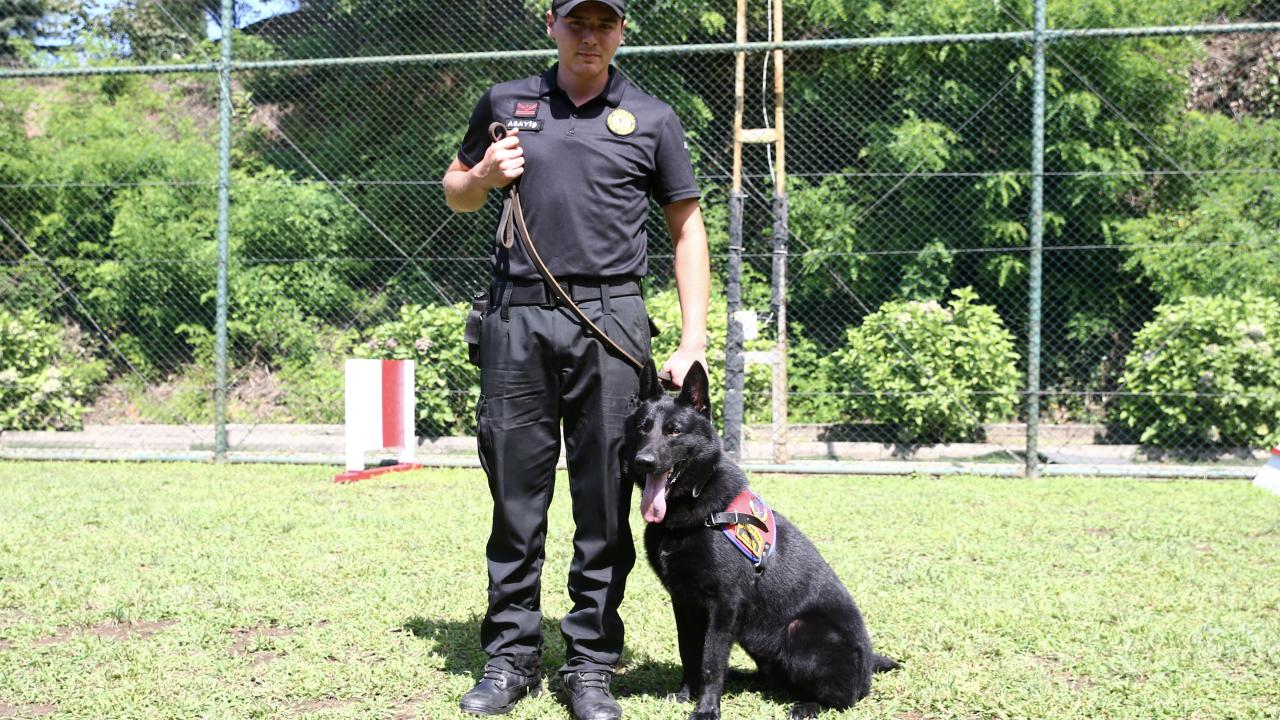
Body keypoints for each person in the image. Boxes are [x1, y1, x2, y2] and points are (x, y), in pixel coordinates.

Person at [441, 0, 710, 718]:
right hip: (517, 317)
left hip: (611, 319)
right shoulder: (505, 103)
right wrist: (484, 174)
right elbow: (456, 192)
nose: (590, 37)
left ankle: (590, 664)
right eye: (576, 22)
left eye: (604, 24)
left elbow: (687, 230)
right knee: (515, 500)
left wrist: (692, 340)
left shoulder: (652, 117)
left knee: (606, 505)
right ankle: (510, 657)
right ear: (551, 25)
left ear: (621, 31)